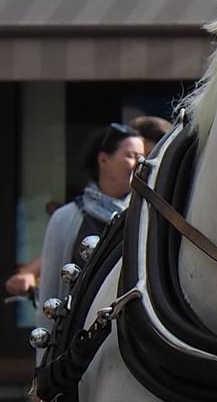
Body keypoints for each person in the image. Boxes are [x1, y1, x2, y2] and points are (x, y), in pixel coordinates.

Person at [36, 123, 144, 332]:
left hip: (132, 336)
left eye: (142, 157)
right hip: (80, 338)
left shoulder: (144, 214)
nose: (139, 163)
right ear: (103, 159)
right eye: (131, 155)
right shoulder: (66, 218)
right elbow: (50, 292)